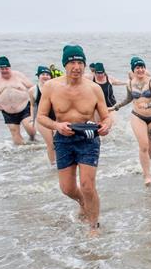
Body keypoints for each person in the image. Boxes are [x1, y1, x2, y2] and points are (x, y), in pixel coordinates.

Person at [37, 45, 112, 229]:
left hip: (87, 138)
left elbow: (106, 117)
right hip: (63, 138)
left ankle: (94, 225)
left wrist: (106, 126)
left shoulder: (94, 88)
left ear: (85, 65)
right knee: (67, 188)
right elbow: (41, 117)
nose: (76, 67)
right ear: (65, 65)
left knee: (87, 186)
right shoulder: (51, 87)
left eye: (80, 62)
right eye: (72, 62)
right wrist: (57, 126)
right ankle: (83, 202)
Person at [110, 57, 151, 186]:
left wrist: (148, 105)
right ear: (133, 70)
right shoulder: (130, 84)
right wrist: (115, 107)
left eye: (142, 67)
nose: (140, 69)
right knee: (143, 145)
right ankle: (147, 175)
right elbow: (128, 99)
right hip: (137, 116)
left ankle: (145, 165)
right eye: (137, 67)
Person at [0, 56, 36, 145]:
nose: (4, 70)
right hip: (7, 110)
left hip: (24, 106)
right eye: (2, 68)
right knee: (14, 131)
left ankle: (33, 140)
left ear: (10, 67)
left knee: (28, 126)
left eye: (6, 68)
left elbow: (32, 87)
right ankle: (22, 151)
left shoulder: (18, 75)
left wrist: (35, 100)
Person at [29, 65, 57, 165]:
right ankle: (53, 165)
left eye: (47, 74)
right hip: (41, 120)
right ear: (38, 76)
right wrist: (32, 119)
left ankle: (60, 162)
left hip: (55, 119)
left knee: (58, 142)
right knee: (50, 144)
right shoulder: (32, 90)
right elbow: (32, 105)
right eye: (43, 74)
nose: (45, 76)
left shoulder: (55, 87)